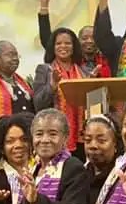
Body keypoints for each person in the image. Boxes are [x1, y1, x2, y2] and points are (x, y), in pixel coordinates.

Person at [37, 0, 112, 78]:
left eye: (93, 38)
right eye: (85, 38)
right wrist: (44, 4)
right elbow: (46, 38)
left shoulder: (108, 56)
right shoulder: (72, 60)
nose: (89, 41)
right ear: (77, 41)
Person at [32, 27, 87, 156]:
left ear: (74, 47)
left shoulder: (84, 71)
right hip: (54, 135)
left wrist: (92, 83)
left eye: (67, 43)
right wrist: (52, 86)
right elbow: (38, 104)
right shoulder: (44, 70)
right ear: (53, 47)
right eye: (58, 43)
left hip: (81, 135)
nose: (63, 46)